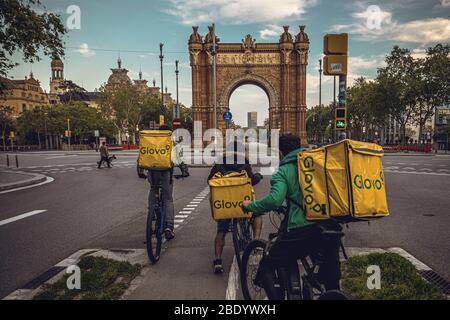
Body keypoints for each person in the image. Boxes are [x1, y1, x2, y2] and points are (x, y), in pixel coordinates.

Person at [242, 134, 342, 297]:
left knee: (268, 264)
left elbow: (275, 200)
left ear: (280, 152)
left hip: (303, 231)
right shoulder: (319, 164)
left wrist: (252, 207)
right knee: (330, 281)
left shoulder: (284, 170)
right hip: (331, 226)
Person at [208, 141, 263, 274]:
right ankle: (255, 241)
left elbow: (210, 180)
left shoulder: (219, 163)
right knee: (257, 215)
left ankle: (218, 260)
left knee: (221, 230)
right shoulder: (244, 163)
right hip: (241, 203)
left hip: (225, 204)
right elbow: (251, 179)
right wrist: (259, 176)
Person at [147, 125, 175, 240]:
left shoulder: (151, 141)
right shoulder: (171, 143)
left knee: (153, 189)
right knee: (168, 198)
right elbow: (177, 159)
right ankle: (169, 226)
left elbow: (144, 155)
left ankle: (151, 214)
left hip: (152, 172)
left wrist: (140, 171)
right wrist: (184, 171)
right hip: (166, 173)